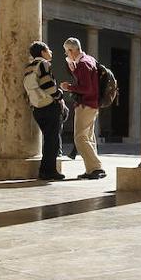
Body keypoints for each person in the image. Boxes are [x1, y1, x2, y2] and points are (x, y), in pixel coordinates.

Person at [60, 37, 106, 180]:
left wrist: (69, 87)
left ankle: (96, 168)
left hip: (86, 104)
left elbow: (86, 88)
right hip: (92, 104)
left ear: (71, 50)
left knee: (80, 138)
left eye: (66, 52)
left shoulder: (83, 64)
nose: (66, 55)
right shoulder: (89, 60)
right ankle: (92, 169)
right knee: (88, 137)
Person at [23, 41, 68, 181]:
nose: (51, 52)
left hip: (37, 108)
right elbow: (47, 84)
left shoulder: (29, 67)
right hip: (49, 107)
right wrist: (59, 95)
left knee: (49, 140)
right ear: (42, 52)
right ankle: (48, 171)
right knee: (52, 141)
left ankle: (45, 170)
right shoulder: (43, 64)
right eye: (48, 49)